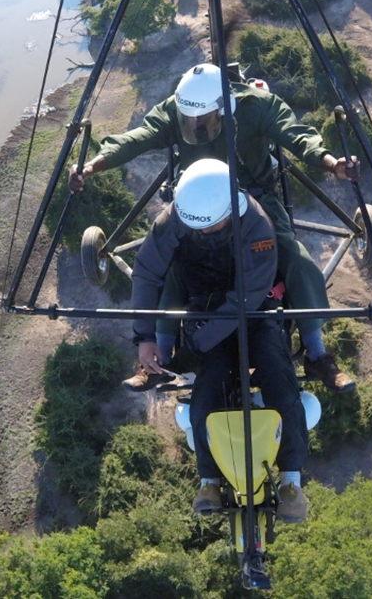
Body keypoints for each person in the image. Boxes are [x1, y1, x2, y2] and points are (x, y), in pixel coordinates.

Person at [72, 63, 357, 394]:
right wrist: (93, 165)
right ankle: (158, 359)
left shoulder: (256, 106)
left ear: (226, 109)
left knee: (294, 257)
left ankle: (317, 352)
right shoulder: (179, 110)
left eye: (202, 120)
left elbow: (297, 135)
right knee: (172, 264)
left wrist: (331, 163)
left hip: (253, 199)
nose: (194, 125)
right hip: (195, 203)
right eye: (188, 120)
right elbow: (139, 137)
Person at [131, 158, 308, 523]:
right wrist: (144, 336)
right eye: (200, 229)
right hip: (205, 310)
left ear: (231, 210)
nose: (207, 234)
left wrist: (195, 346)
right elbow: (146, 273)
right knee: (207, 389)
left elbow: (246, 298)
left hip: (254, 310)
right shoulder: (175, 219)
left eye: (214, 227)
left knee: (278, 374)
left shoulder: (257, 226)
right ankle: (208, 479)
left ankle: (291, 481)